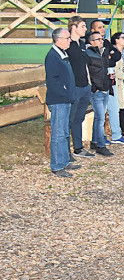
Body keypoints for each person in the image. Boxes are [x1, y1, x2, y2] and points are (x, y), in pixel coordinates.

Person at [45, 28, 80, 177]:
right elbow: (52, 81)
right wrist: (65, 93)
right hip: (59, 100)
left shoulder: (62, 53)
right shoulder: (53, 56)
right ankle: (57, 166)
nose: (70, 41)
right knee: (58, 134)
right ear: (58, 39)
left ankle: (64, 160)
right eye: (67, 38)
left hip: (65, 99)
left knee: (64, 132)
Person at [66, 16, 94, 158]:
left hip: (84, 86)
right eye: (83, 26)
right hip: (74, 87)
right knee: (70, 119)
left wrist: (89, 82)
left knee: (79, 118)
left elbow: (85, 64)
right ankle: (66, 151)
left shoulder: (82, 44)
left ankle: (78, 148)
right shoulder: (67, 45)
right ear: (74, 27)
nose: (86, 29)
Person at [85, 29, 114, 156]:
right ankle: (101, 145)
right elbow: (88, 72)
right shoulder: (88, 53)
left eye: (102, 39)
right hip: (96, 90)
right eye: (99, 39)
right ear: (91, 42)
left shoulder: (103, 52)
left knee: (99, 117)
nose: (102, 41)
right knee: (100, 118)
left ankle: (95, 141)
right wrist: (94, 87)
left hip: (105, 88)